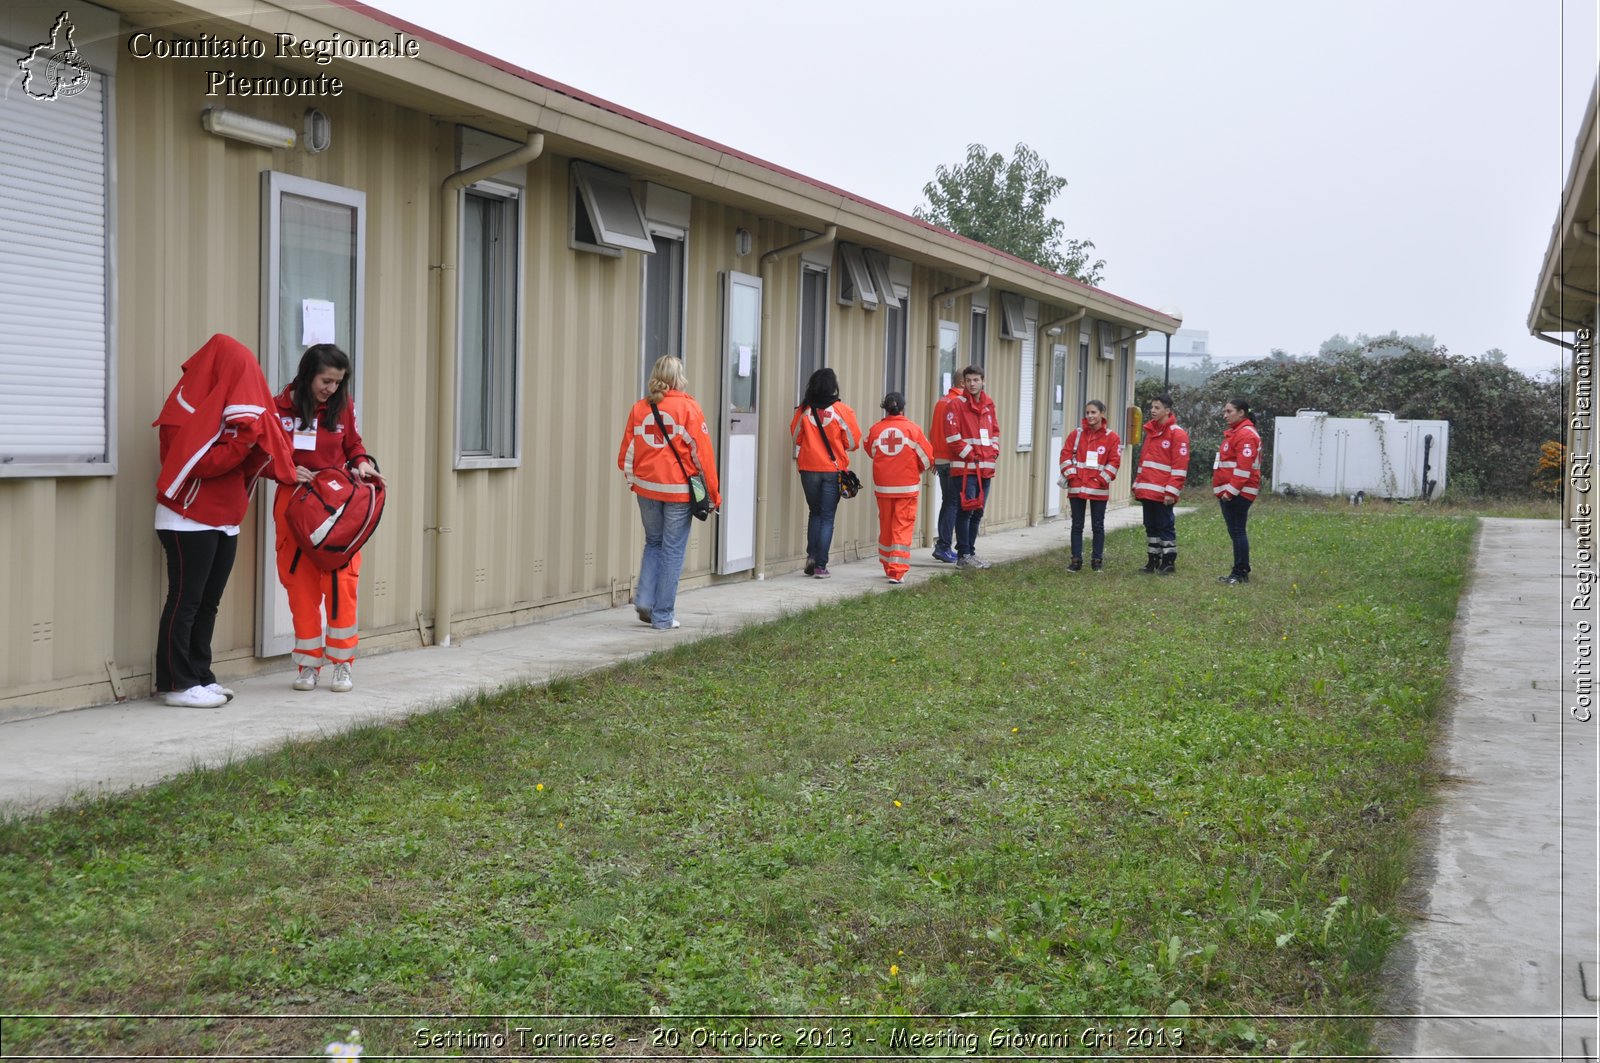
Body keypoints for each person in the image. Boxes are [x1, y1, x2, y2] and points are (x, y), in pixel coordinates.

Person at [154, 335, 297, 707]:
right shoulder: (181, 412)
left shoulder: (231, 412)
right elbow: (199, 463)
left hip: (225, 519)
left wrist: (256, 444)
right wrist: (244, 442)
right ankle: (176, 684)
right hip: (186, 519)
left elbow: (243, 460)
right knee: (186, 601)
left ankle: (201, 675)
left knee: (208, 602)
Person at [272, 344, 381, 693]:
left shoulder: (343, 406)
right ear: (308, 375)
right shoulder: (278, 408)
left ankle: (342, 665)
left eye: (338, 382)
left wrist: (363, 463)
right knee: (299, 584)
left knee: (341, 583)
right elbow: (263, 455)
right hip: (294, 502)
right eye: (326, 380)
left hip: (337, 502)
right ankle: (307, 664)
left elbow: (353, 445)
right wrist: (286, 470)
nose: (331, 388)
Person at [618, 355, 721, 629]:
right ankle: (662, 616)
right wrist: (713, 494)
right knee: (673, 551)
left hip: (647, 489)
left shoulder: (640, 408)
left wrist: (634, 482)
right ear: (678, 377)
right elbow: (703, 458)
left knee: (653, 542)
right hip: (678, 492)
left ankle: (645, 601)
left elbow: (627, 453)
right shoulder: (689, 409)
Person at [789, 367, 861, 579]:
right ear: (833, 387)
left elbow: (795, 438)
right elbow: (854, 441)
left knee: (815, 512)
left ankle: (811, 557)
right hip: (832, 469)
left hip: (808, 468)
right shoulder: (842, 410)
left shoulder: (804, 410)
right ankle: (821, 566)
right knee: (827, 516)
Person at [866, 391, 934, 584]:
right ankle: (897, 571)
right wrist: (916, 469)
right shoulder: (913, 429)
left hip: (883, 487)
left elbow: (871, 450)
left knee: (886, 525)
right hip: (906, 487)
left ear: (885, 409)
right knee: (901, 526)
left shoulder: (876, 429)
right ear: (903, 408)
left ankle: (888, 566)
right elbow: (927, 458)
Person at [943, 364, 1000, 569]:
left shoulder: (989, 404)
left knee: (978, 512)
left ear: (983, 381)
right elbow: (952, 437)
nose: (972, 384)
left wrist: (994, 451)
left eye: (976, 380)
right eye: (969, 380)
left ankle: (971, 554)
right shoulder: (955, 405)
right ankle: (963, 555)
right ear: (963, 383)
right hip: (966, 468)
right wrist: (972, 455)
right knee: (965, 511)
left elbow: (995, 431)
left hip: (985, 468)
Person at [1058, 399, 1122, 572]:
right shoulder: (1076, 435)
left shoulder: (1112, 437)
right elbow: (1064, 456)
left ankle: (1097, 561)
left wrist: (1100, 480)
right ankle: (1076, 560)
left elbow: (1114, 462)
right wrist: (1072, 475)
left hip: (1098, 489)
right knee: (1077, 525)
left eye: (1093, 412)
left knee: (1098, 526)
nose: (1090, 416)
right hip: (1077, 487)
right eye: (1087, 413)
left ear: (1102, 414)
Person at [1131, 393, 1189, 575]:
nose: (1152, 411)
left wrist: (1171, 491)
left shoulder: (1177, 434)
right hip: (1147, 489)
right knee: (1150, 526)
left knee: (1165, 526)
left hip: (1163, 492)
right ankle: (1152, 560)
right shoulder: (1151, 432)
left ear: (1167, 411)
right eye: (1152, 407)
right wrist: (1137, 484)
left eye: (1157, 408)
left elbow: (1180, 466)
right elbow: (1143, 462)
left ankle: (1169, 561)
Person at [1213, 398, 1262, 584]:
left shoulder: (1246, 435)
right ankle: (1239, 570)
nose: (1225, 415)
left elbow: (1243, 469)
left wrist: (1230, 492)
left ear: (1241, 413)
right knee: (1235, 531)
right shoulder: (1236, 433)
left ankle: (1241, 572)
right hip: (1232, 492)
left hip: (1239, 493)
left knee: (1238, 531)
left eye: (1229, 411)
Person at [927, 378, 964, 563]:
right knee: (953, 503)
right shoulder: (958, 403)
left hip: (940, 458)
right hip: (952, 459)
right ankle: (943, 546)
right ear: (964, 382)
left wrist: (933, 456)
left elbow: (933, 430)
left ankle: (942, 545)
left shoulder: (941, 401)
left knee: (947, 501)